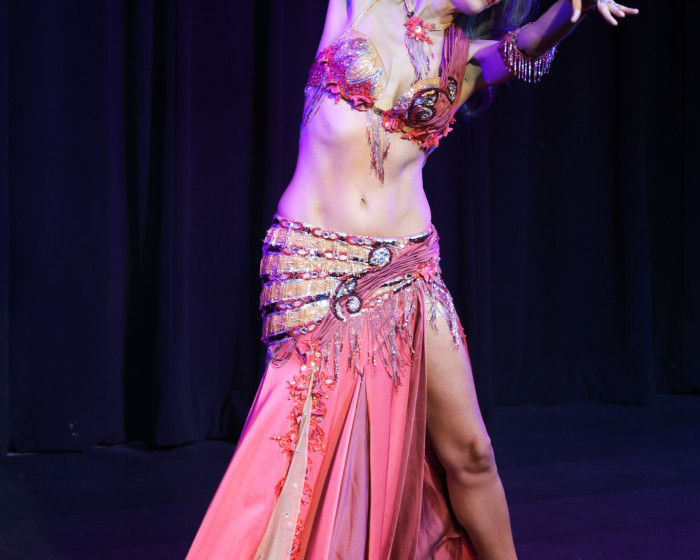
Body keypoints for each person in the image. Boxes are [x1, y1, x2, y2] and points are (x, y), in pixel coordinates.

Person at [186, 0, 638, 558]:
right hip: (316, 267)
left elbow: (527, 45)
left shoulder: (464, 61)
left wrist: (573, 9)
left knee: (471, 453)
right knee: (303, 450)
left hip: (410, 271)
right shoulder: (361, 6)